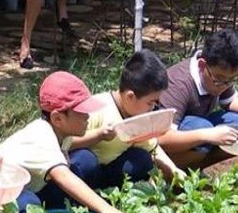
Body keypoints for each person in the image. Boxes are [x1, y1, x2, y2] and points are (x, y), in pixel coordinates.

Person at [0, 72, 128, 213]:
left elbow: (73, 144)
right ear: (57, 118)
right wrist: (107, 210)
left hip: (27, 188)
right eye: (82, 113)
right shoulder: (41, 136)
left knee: (84, 160)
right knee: (29, 206)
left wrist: (100, 135)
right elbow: (63, 176)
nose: (88, 117)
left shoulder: (59, 133)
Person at [157, 29, 238, 170]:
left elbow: (231, 100)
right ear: (202, 65)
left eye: (230, 80)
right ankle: (173, 173)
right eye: (219, 80)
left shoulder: (218, 77)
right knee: (202, 126)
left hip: (198, 129)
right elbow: (162, 140)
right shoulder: (178, 85)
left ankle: (197, 168)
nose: (224, 86)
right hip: (166, 146)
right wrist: (207, 135)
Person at [69, 49, 184, 186]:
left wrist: (173, 171)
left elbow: (151, 148)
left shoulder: (137, 116)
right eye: (150, 102)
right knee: (85, 159)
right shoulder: (97, 109)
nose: (153, 107)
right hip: (82, 174)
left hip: (109, 173)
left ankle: (109, 194)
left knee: (142, 159)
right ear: (130, 97)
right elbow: (65, 142)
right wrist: (98, 135)